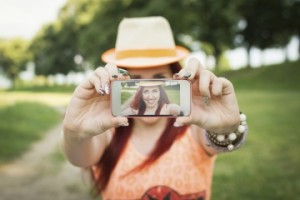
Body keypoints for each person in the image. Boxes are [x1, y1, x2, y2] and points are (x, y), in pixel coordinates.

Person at [62, 16, 248, 200]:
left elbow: (218, 138)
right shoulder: (106, 134)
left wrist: (228, 128)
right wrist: (74, 133)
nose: (149, 92)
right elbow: (79, 158)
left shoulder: (193, 127)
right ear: (117, 82)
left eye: (159, 78)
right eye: (135, 80)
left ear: (176, 77)